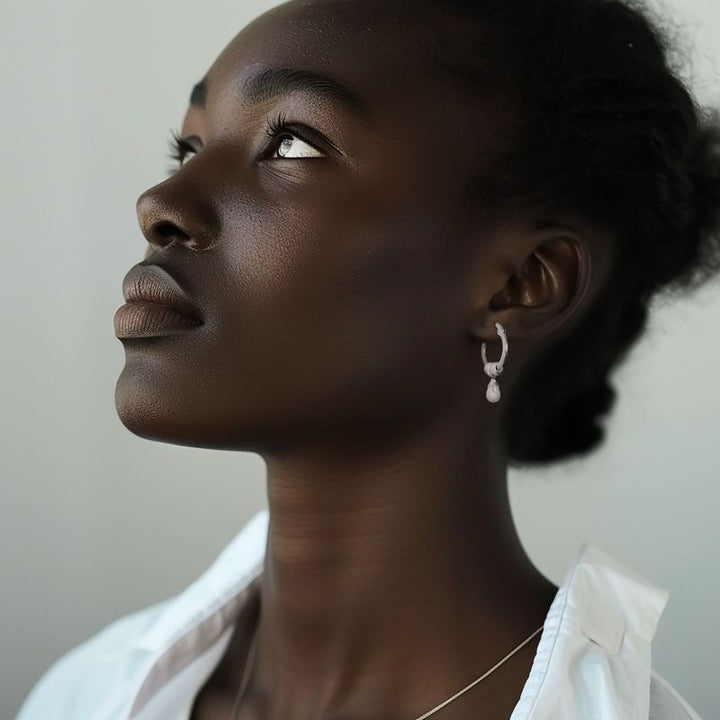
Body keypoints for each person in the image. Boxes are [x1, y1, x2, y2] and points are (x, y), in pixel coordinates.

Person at [16, 0, 719, 718]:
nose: (162, 202)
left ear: (519, 283)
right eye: (189, 148)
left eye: (292, 143)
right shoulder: (81, 696)